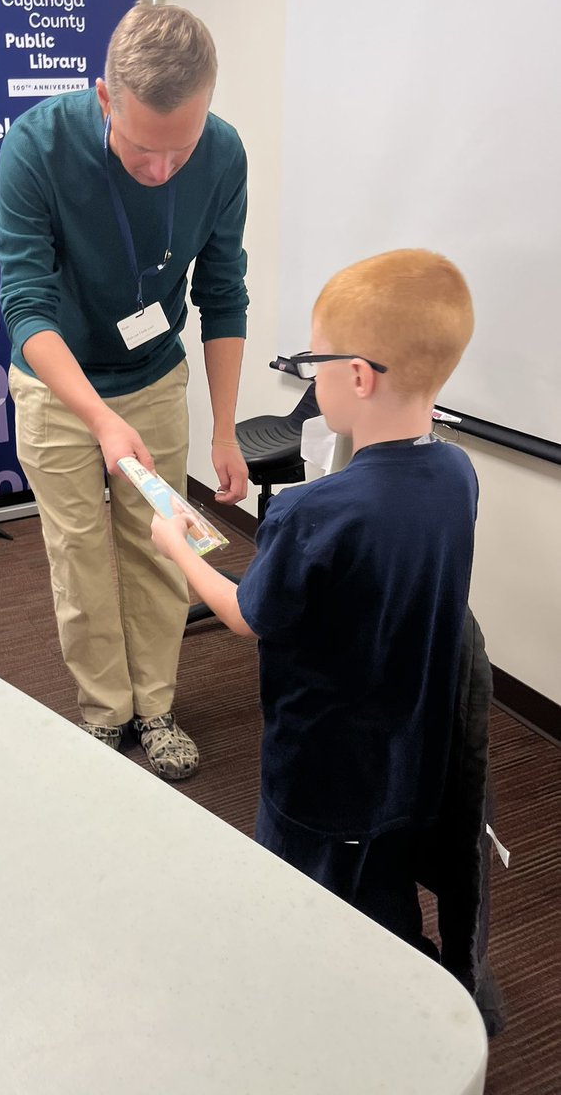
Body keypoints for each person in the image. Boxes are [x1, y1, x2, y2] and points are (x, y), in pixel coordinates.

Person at [151, 248, 477, 950]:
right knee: (383, 896)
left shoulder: (315, 512)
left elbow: (247, 616)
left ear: (357, 376)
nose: (309, 376)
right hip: (414, 756)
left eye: (312, 362)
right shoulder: (458, 475)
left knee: (304, 914)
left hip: (323, 771)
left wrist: (178, 546)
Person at [0, 4, 249, 780]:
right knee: (78, 554)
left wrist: (225, 429)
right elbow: (26, 304)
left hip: (151, 377)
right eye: (143, 148)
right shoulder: (36, 147)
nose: (162, 169)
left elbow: (224, 291)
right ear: (105, 98)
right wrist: (99, 418)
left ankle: (157, 706)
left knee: (161, 548)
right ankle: (105, 712)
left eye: (183, 146)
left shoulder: (223, 153)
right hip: (57, 386)